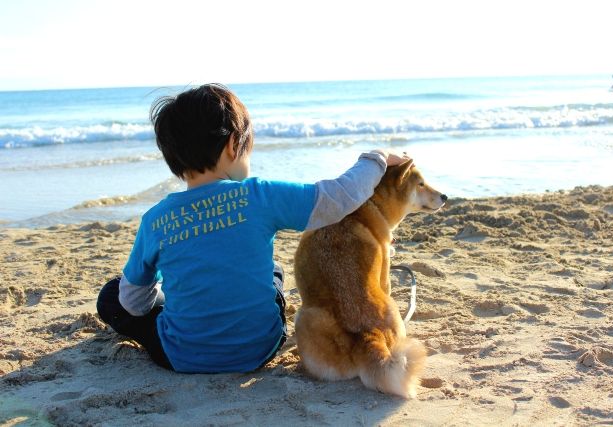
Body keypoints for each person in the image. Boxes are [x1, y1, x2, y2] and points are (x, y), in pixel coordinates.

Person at [96, 83, 408, 373]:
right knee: (273, 271)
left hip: (182, 357)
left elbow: (134, 304)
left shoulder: (156, 219)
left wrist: (168, 296)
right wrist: (377, 158)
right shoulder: (260, 195)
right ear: (233, 145)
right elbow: (338, 197)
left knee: (112, 295)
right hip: (260, 349)